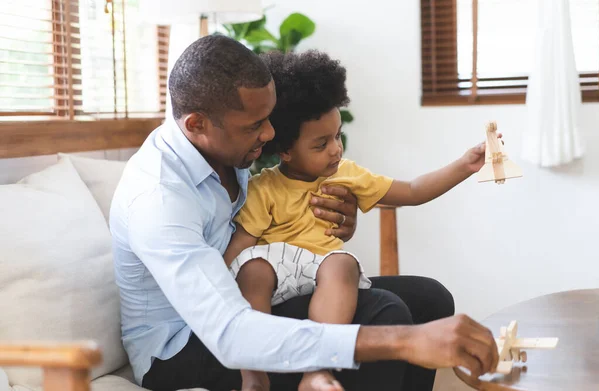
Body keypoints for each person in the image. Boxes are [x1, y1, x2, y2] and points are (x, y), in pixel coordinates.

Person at [110, 35, 498, 391]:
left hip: (253, 294)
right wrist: (407, 341)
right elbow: (228, 332)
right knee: (387, 315)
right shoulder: (158, 198)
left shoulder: (229, 147)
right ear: (196, 124)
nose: (268, 135)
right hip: (183, 346)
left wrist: (336, 220)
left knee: (429, 299)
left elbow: (284, 212)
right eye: (256, 125)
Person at [222, 49, 503, 391]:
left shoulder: (346, 174)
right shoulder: (264, 188)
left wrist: (464, 166)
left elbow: (412, 191)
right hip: (276, 277)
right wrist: (215, 282)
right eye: (321, 144)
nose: (336, 150)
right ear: (284, 150)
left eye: (337, 136)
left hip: (323, 273)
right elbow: (240, 245)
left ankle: (316, 368)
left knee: (342, 265)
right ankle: (253, 372)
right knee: (252, 269)